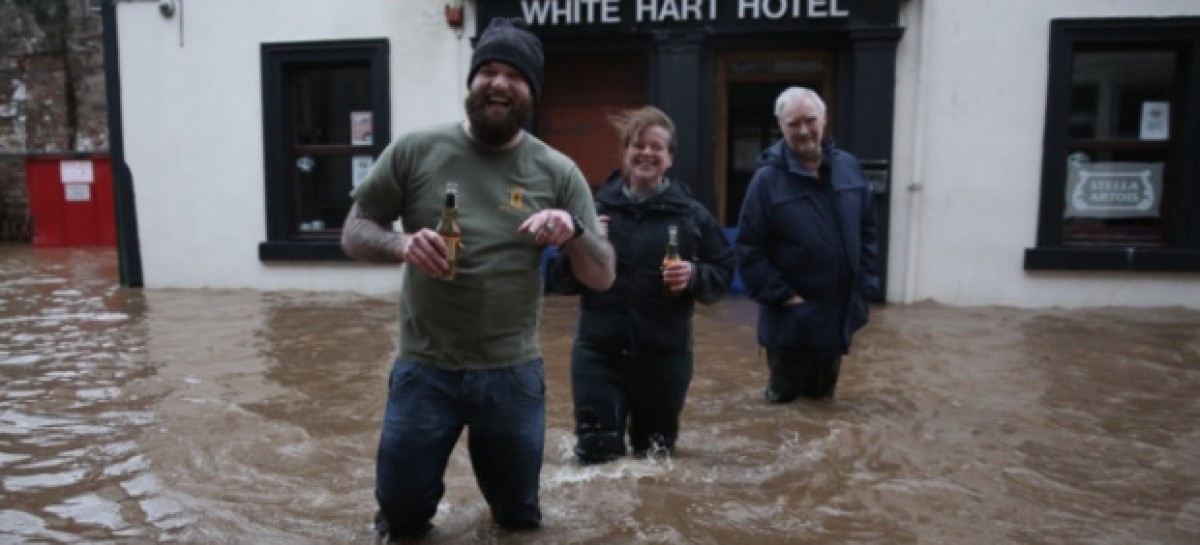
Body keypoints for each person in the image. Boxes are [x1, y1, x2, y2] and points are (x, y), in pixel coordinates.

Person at [340, 17, 615, 540]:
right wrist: (400, 243)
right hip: (424, 371)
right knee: (400, 517)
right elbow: (354, 231)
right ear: (471, 83)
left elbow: (602, 276)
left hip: (512, 375)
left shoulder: (557, 172)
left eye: (516, 75)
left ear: (531, 92)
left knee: (516, 519)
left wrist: (573, 230)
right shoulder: (415, 150)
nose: (500, 83)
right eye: (488, 70)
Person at [548, 106, 736, 464]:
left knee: (655, 462)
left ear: (669, 159)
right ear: (625, 153)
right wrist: (583, 243)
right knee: (595, 455)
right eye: (638, 145)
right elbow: (558, 281)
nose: (647, 153)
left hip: (665, 356)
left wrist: (694, 276)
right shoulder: (592, 209)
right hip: (598, 353)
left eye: (657, 147)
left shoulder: (691, 215)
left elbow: (724, 271)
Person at [734, 86, 880, 403]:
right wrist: (787, 298)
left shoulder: (849, 167)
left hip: (837, 316)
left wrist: (864, 286)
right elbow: (749, 249)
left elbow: (868, 229)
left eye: (809, 120)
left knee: (822, 406)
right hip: (791, 323)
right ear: (781, 127)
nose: (803, 131)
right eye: (793, 123)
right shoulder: (766, 180)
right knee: (783, 410)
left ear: (824, 120)